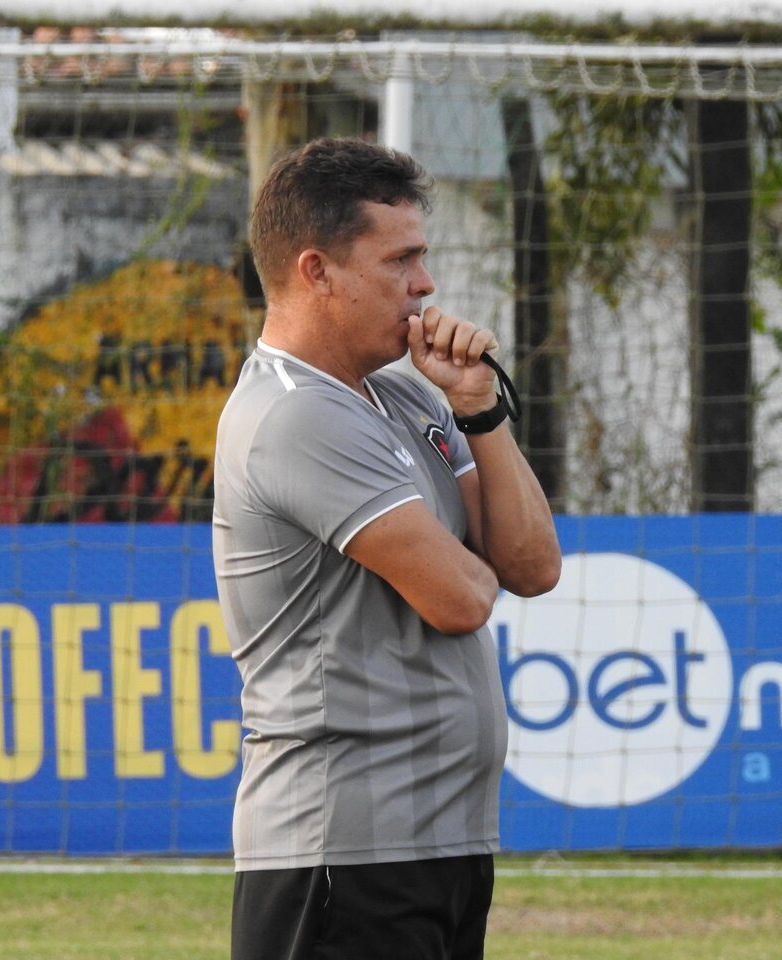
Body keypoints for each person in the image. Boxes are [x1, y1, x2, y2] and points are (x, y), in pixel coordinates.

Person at [213, 137, 562, 960]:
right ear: (316, 271)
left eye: (423, 256)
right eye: (400, 259)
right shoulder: (296, 416)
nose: (426, 284)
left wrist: (478, 409)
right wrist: (469, 549)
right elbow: (465, 597)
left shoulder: (407, 395)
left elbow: (531, 567)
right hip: (343, 853)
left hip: (436, 843)